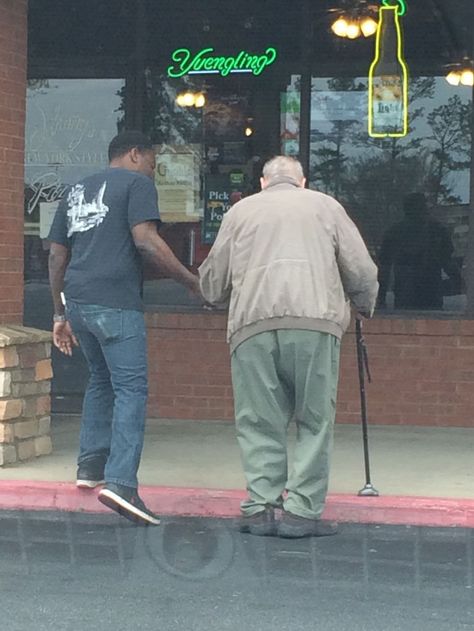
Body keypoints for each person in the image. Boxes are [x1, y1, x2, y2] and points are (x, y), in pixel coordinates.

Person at [199, 156, 378, 538]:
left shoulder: (239, 212)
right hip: (316, 323)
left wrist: (215, 294)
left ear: (263, 182)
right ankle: (301, 512)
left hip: (252, 327)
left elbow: (213, 281)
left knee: (258, 419)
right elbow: (361, 269)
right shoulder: (326, 206)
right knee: (314, 420)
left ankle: (260, 505)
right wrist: (364, 303)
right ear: (302, 181)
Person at [48, 131, 200, 526]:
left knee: (101, 380)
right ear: (135, 154)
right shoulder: (137, 184)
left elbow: (56, 254)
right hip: (115, 302)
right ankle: (122, 484)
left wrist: (59, 313)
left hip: (78, 302)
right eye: (152, 162)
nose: (153, 170)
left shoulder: (77, 188)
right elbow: (146, 241)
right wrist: (190, 282)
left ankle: (90, 466)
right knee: (131, 389)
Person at [378, 193, 462, 310]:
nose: (421, 211)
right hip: (406, 298)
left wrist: (463, 288)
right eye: (416, 207)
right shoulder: (395, 233)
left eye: (421, 207)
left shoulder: (437, 232)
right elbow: (384, 268)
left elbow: (447, 261)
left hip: (430, 297)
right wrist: (380, 300)